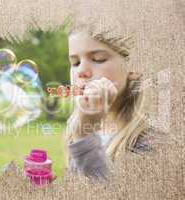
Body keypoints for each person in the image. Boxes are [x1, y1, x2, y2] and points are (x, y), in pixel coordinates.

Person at [64, 25, 155, 180]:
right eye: (75, 63)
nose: (81, 71)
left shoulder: (151, 140)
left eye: (98, 59)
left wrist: (84, 136)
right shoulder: (75, 126)